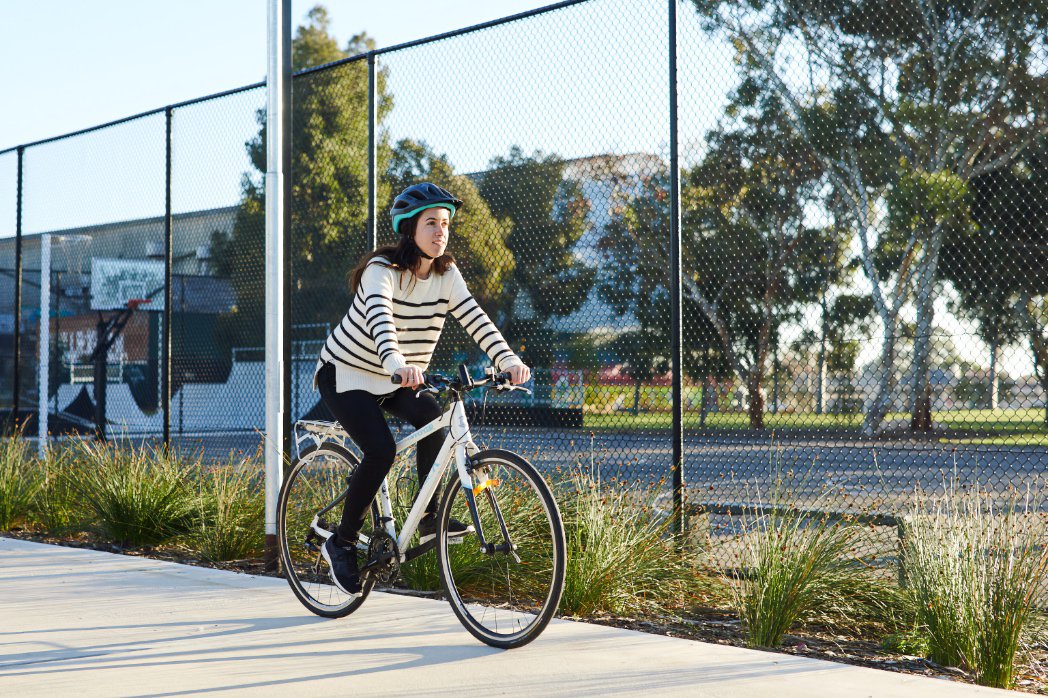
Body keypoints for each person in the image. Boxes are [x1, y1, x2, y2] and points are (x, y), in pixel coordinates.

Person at [313, 182, 531, 595]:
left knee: (435, 416)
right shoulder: (383, 270)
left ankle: (430, 517)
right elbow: (380, 319)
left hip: (397, 377)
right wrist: (397, 364)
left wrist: (508, 360)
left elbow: (475, 318)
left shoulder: (447, 275)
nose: (440, 231)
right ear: (410, 228)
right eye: (431, 222)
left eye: (445, 224)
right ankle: (340, 542)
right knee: (381, 449)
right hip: (346, 373)